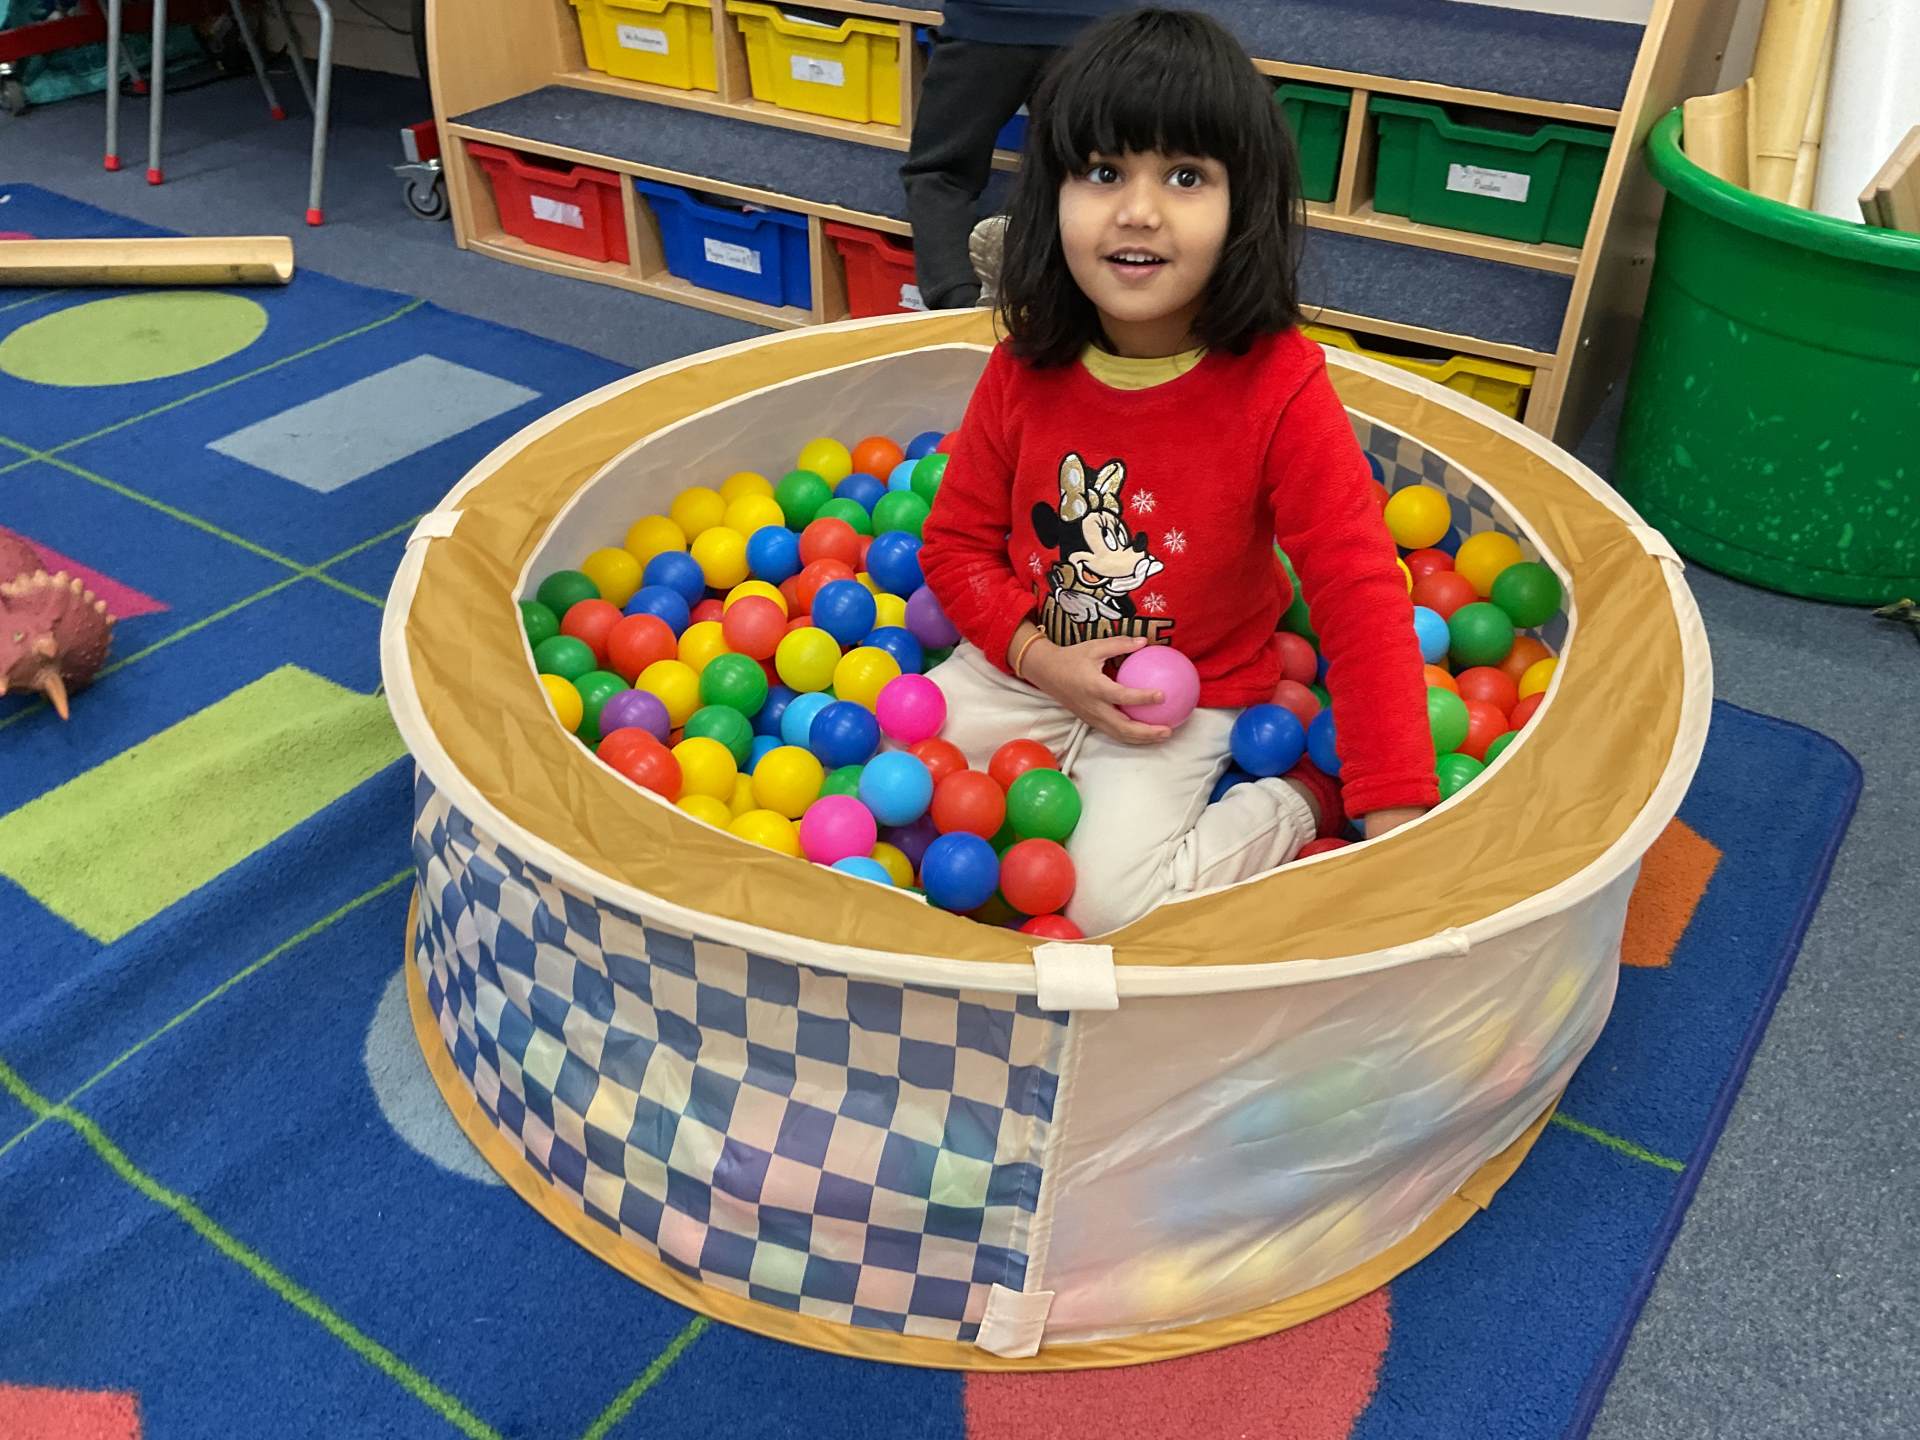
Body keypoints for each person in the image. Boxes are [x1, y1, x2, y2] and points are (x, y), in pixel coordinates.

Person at [917, 8, 1437, 937]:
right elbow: (954, 545)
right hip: (1025, 665)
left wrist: (1389, 802)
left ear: (1244, 207)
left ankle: (1296, 800)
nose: (1139, 210)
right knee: (906, 800)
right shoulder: (1025, 366)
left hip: (1188, 690)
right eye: (1102, 171)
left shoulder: (1280, 387)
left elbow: (1357, 591)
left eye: (1186, 176)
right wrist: (1040, 657)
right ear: (1051, 195)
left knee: (1107, 905)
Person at [900, 0, 1129, 311]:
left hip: (987, 19)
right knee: (1090, 174)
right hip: (1098, 26)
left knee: (940, 173)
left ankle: (961, 307)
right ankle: (1066, 306)